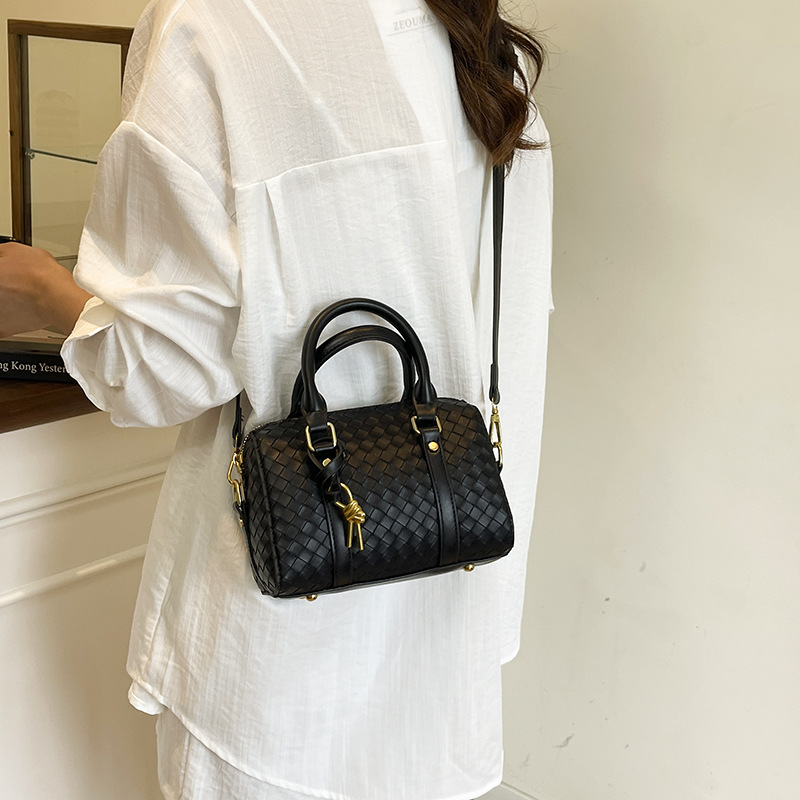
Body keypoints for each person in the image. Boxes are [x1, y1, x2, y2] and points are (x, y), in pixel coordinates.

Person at [0, 1, 553, 797]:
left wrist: (44, 292)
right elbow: (513, 323)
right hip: (446, 637)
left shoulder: (213, 25)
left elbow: (157, 368)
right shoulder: (490, 45)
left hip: (276, 655)